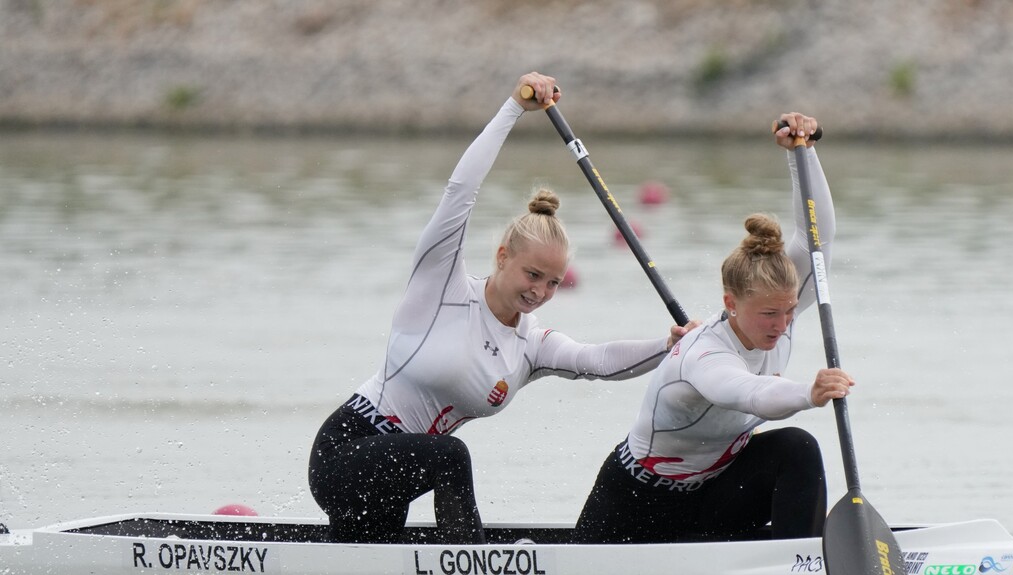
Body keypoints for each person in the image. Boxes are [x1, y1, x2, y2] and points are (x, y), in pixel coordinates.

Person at [309, 72, 691, 545]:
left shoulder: (531, 346)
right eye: (532, 275)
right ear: (503, 257)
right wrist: (513, 109)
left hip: (395, 479)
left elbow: (598, 360)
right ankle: (473, 565)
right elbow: (459, 191)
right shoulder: (442, 286)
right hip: (348, 450)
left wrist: (670, 345)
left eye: (553, 283)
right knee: (452, 455)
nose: (541, 292)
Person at [573, 111, 851, 544]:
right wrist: (809, 394)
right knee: (795, 428)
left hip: (716, 495)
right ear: (730, 304)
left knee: (797, 448)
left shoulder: (779, 304)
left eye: (789, 311)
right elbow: (750, 393)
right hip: (636, 507)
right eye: (768, 315)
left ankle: (800, 563)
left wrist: (804, 153)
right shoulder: (703, 354)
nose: (781, 325)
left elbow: (817, 238)